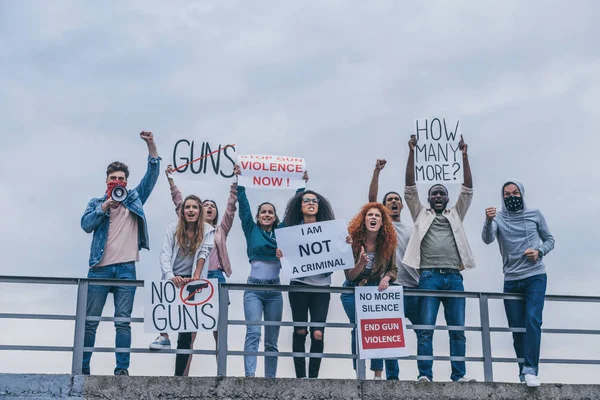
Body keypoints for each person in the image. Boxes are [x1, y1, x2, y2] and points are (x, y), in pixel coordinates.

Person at [80, 131, 160, 376]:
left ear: (126, 181)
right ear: (106, 181)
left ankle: (122, 369)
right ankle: (82, 368)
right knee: (90, 321)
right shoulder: (96, 202)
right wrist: (105, 206)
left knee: (122, 322)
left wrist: (151, 145)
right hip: (99, 268)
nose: (118, 182)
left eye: (122, 178)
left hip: (126, 269)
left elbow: (152, 176)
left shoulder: (135, 198)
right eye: (113, 178)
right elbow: (85, 225)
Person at [149, 165, 238, 375]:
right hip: (179, 276)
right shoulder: (176, 225)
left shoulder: (216, 230)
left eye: (209, 206)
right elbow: (179, 202)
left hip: (207, 277)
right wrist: (170, 179)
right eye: (202, 205)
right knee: (185, 328)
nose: (206, 208)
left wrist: (236, 182)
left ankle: (221, 372)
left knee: (211, 329)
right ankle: (171, 352)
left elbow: (202, 256)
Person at [403, 134, 476, 383]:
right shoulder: (420, 213)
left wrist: (464, 156)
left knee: (457, 330)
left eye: (441, 194)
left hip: (454, 278)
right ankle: (425, 374)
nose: (436, 196)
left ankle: (459, 375)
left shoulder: (455, 213)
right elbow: (410, 189)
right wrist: (412, 152)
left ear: (446, 199)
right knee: (426, 329)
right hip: (429, 278)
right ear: (429, 198)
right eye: (433, 193)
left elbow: (467, 190)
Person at [234, 165, 307, 378]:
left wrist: (301, 185)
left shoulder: (282, 232)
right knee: (254, 332)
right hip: (253, 289)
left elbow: (294, 212)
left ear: (275, 217)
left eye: (270, 212)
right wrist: (240, 182)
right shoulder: (251, 229)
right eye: (263, 212)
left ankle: (270, 380)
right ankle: (250, 377)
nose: (267, 214)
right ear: (258, 217)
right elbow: (244, 207)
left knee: (271, 341)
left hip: (274, 291)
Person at [482, 181, 555, 387]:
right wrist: (488, 221)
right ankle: (522, 372)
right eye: (507, 194)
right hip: (511, 278)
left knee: (533, 320)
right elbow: (487, 239)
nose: (511, 196)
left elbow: (550, 239)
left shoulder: (535, 214)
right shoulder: (498, 217)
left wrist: (539, 251)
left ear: (522, 194)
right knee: (517, 329)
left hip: (535, 276)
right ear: (502, 196)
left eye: (515, 193)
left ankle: (531, 370)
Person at [367, 159, 420, 380]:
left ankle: (424, 375)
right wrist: (377, 171)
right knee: (390, 334)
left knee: (422, 331)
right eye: (389, 200)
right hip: (390, 285)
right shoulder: (382, 227)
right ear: (384, 206)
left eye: (397, 200)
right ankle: (392, 378)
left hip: (414, 285)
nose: (394, 202)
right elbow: (371, 200)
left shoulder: (412, 228)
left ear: (402, 206)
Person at [152, 193, 215, 376]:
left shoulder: (207, 229)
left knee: (186, 332)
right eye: (187, 207)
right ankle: (163, 336)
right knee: (166, 315)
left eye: (194, 207)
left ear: (200, 210)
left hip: (192, 280)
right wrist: (171, 276)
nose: (191, 210)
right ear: (182, 211)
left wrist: (195, 277)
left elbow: (204, 254)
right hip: (173, 278)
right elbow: (164, 254)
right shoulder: (173, 228)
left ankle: (179, 375)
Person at [277, 189, 336, 379]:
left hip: (322, 287)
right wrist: (281, 256)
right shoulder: (291, 231)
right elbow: (286, 261)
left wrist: (343, 244)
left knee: (318, 333)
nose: (311, 203)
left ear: (320, 206)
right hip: (299, 287)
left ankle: (313, 378)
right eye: (306, 200)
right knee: (300, 331)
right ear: (300, 206)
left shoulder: (329, 230)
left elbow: (337, 256)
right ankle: (300, 377)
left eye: (315, 200)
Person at [340, 202, 398, 379]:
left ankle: (377, 375)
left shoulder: (388, 244)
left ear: (382, 223)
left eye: (377, 216)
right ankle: (360, 372)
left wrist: (387, 278)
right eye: (370, 215)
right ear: (363, 220)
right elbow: (349, 276)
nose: (373, 218)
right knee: (358, 329)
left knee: (377, 329)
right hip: (353, 289)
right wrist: (361, 264)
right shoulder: (352, 242)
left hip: (375, 291)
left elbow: (393, 269)